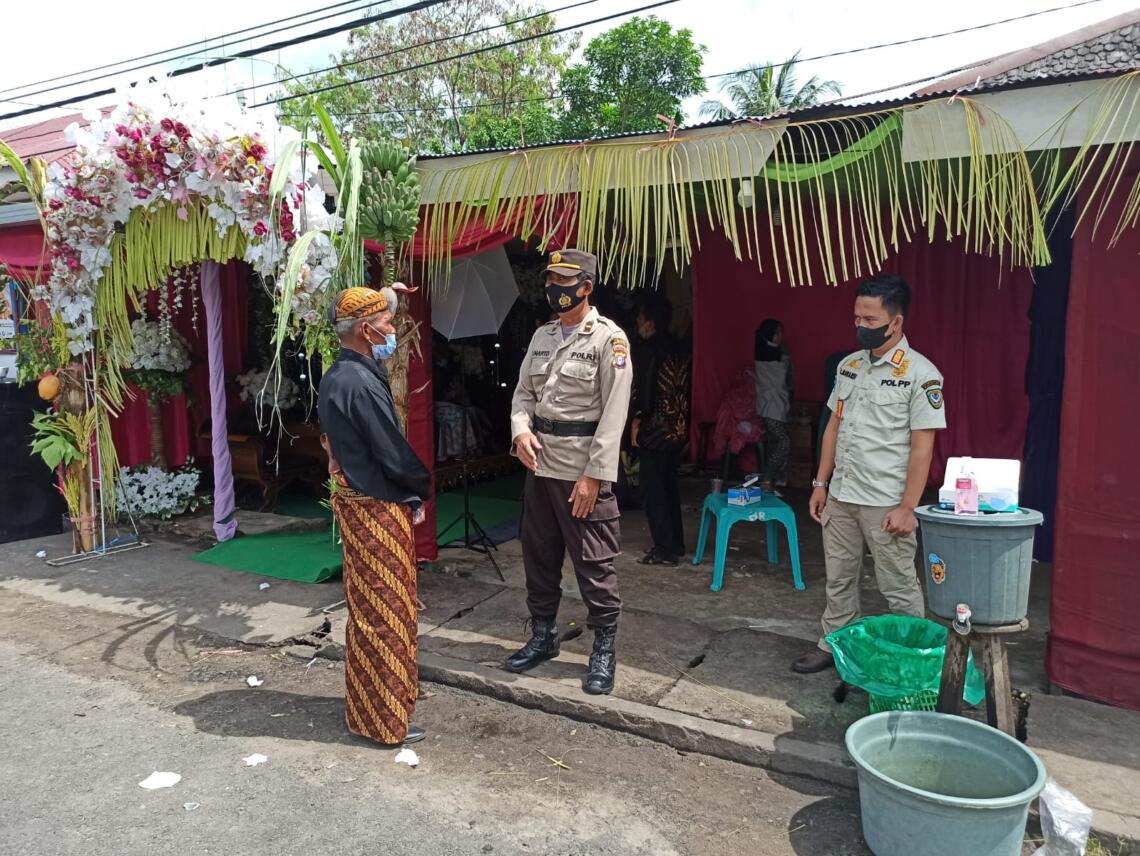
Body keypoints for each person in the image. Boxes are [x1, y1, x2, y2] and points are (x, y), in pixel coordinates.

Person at [792, 275, 946, 674]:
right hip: (842, 494)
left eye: (869, 319)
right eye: (856, 317)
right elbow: (833, 427)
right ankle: (833, 646)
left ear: (895, 323)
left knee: (897, 586)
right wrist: (820, 483)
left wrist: (908, 507)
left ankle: (911, 660)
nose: (860, 325)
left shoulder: (921, 374)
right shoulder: (849, 366)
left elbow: (922, 447)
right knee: (839, 578)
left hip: (886, 503)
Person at [506, 249, 633, 695]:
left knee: (594, 564)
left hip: (581, 471)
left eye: (565, 281)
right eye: (551, 280)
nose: (555, 288)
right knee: (538, 555)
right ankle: (543, 636)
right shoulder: (542, 336)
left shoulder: (608, 341)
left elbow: (614, 414)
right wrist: (521, 432)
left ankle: (603, 650)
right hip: (539, 466)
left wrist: (595, 475)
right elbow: (523, 394)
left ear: (586, 286)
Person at [318, 287, 433, 744]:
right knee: (385, 611)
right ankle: (384, 721)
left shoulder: (340, 373)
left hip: (356, 501)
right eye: (386, 324)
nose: (391, 331)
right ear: (365, 330)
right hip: (375, 506)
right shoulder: (359, 382)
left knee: (370, 608)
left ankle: (370, 708)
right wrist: (420, 487)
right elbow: (391, 452)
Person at [632, 294, 689, 565]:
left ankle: (664, 549)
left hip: (655, 430)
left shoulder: (649, 349)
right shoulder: (676, 346)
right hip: (677, 428)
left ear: (650, 322)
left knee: (653, 490)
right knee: (669, 486)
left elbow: (644, 392)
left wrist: (637, 420)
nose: (637, 322)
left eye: (641, 317)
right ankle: (675, 543)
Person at [753, 318, 794, 493]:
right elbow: (778, 380)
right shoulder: (765, 354)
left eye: (780, 332)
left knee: (774, 443)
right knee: (784, 442)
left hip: (779, 405)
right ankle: (767, 479)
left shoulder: (779, 351)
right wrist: (785, 361)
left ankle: (771, 484)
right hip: (770, 405)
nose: (780, 336)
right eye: (776, 332)